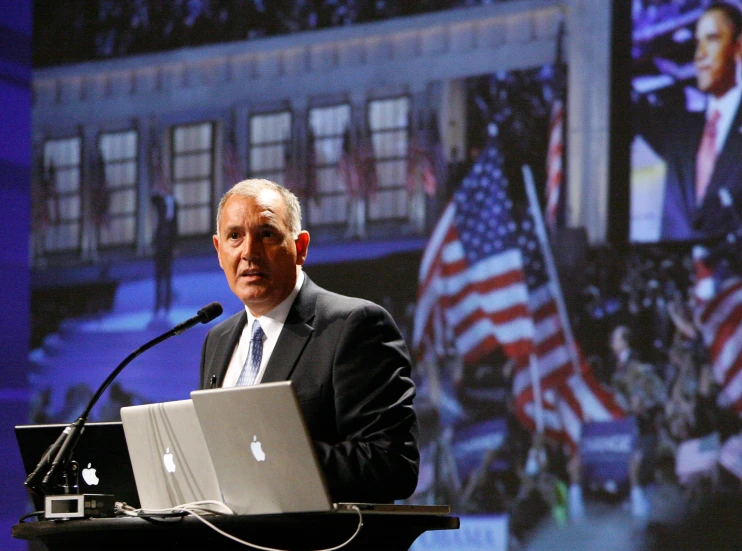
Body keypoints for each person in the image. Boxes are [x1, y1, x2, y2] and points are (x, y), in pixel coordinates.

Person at [200, 178, 419, 503]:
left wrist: (271, 461)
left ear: (300, 247)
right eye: (235, 236)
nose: (248, 252)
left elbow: (392, 464)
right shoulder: (217, 340)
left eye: (267, 234)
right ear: (219, 251)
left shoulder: (355, 325)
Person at [636, 2, 742, 241]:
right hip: (676, 270)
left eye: (712, 39)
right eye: (697, 43)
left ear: (739, 47)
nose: (700, 54)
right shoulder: (680, 129)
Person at [151, 183, 178, 317]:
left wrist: (174, 246)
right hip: (159, 246)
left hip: (168, 247)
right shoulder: (160, 204)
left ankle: (166, 304)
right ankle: (158, 304)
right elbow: (153, 198)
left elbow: (175, 228)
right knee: (158, 276)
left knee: (167, 276)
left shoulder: (173, 206)